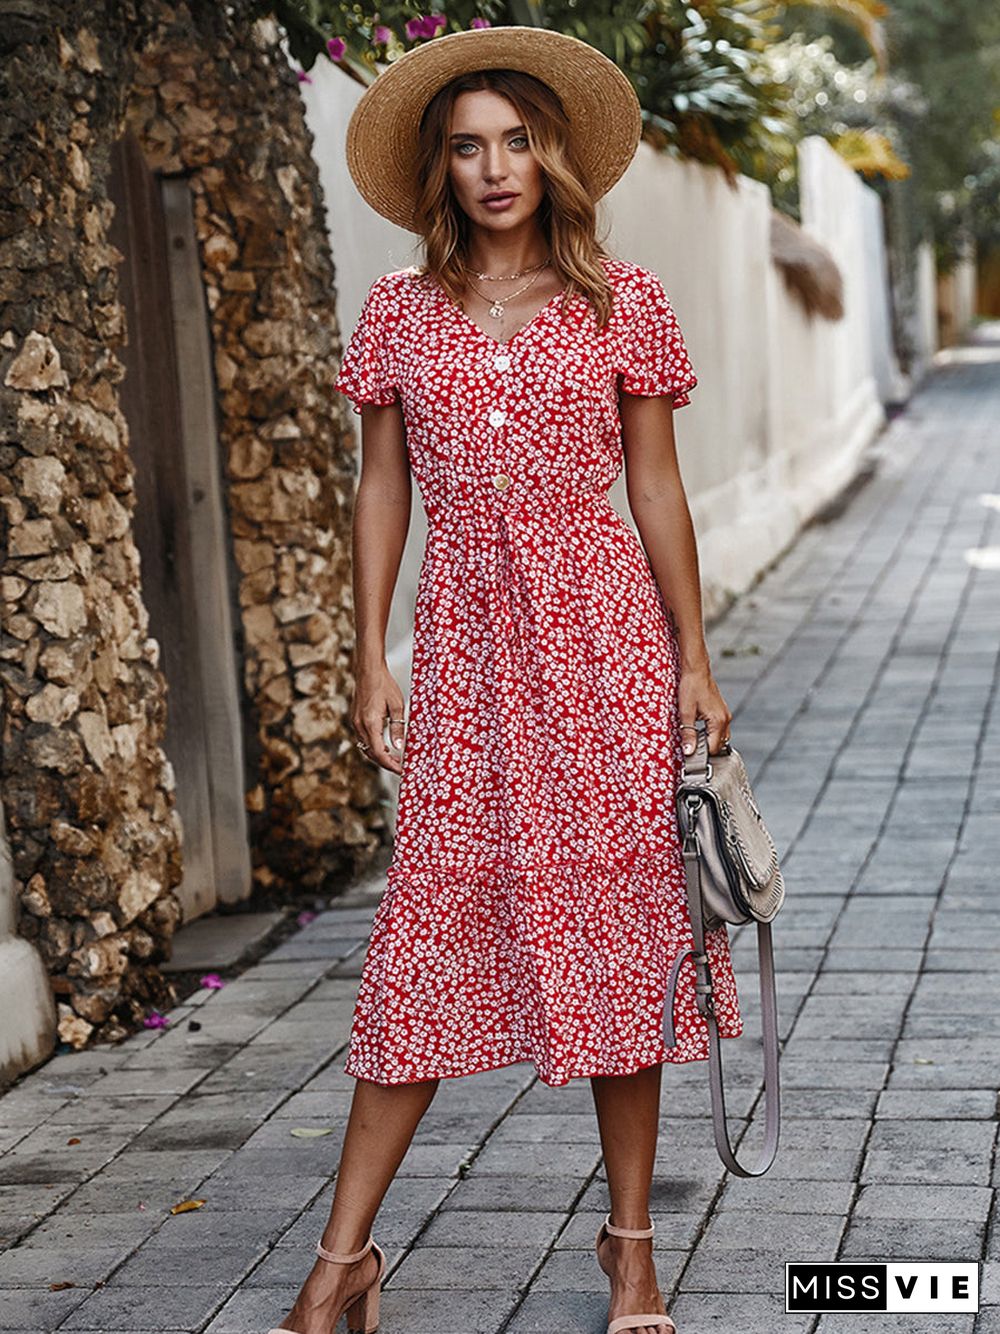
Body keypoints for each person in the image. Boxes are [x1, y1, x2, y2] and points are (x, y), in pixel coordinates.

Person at [270, 24, 742, 1334]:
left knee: (620, 936)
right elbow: (383, 486)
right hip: (469, 655)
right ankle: (343, 1261)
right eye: (468, 146)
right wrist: (373, 648)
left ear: (551, 157)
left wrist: (694, 658)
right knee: (417, 936)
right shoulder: (398, 315)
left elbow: (655, 485)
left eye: (516, 141)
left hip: (600, 644)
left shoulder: (616, 301)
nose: (494, 167)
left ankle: (632, 1247)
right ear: (441, 169)